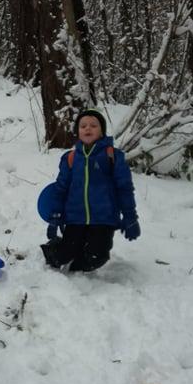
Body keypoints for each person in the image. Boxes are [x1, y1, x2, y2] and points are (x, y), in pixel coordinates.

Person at [40, 109, 140, 272]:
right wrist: (55, 215)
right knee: (62, 255)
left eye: (93, 125)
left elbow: (124, 188)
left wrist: (130, 217)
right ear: (78, 132)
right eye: (83, 126)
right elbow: (61, 188)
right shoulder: (71, 158)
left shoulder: (113, 157)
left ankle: (77, 269)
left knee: (97, 256)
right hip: (75, 217)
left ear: (102, 131)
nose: (88, 129)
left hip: (103, 218)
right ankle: (54, 250)